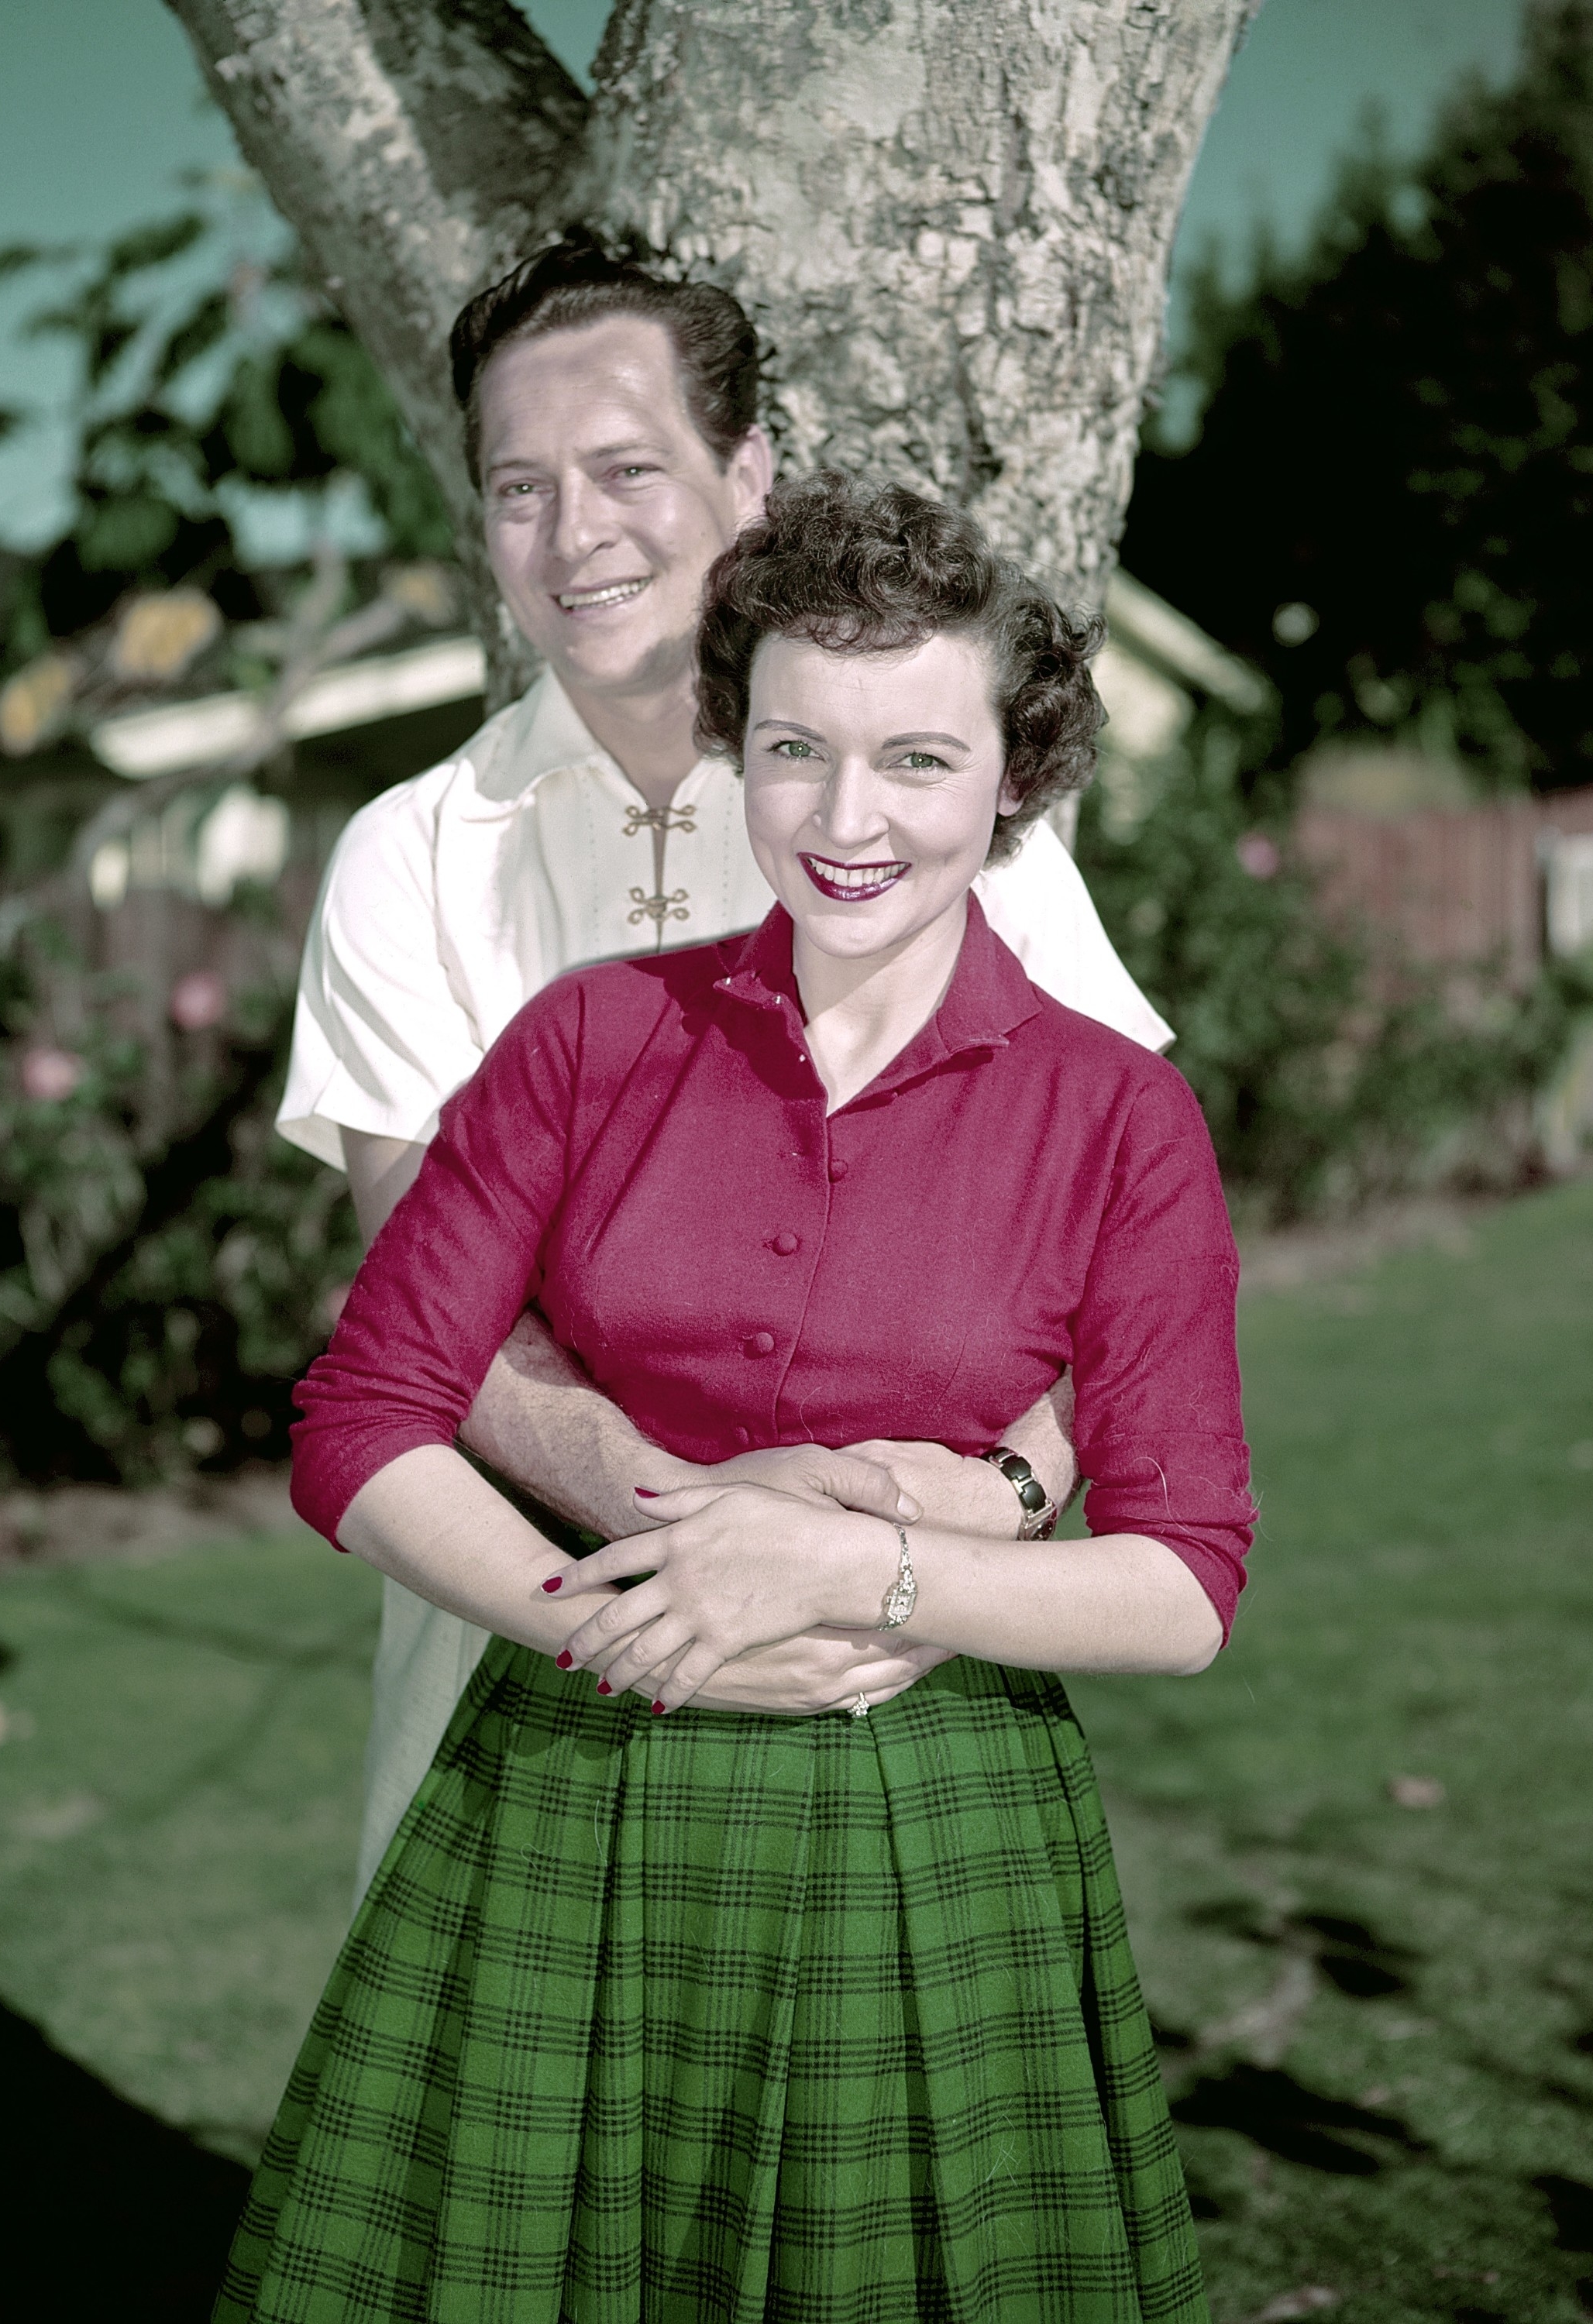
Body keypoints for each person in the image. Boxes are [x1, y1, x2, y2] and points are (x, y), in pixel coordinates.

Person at [220, 473, 1250, 2322]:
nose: (850, 823)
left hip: (923, 1826)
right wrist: (626, 1617)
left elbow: (1182, 1587)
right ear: (737, 753)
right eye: (796, 751)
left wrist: (845, 1578)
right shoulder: (591, 1041)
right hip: (569, 1798)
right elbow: (362, 1419)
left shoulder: (1120, 1115)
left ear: (1013, 775)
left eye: (918, 761)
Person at [275, 239, 1176, 1895]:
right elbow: (428, 1331)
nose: (575, 534)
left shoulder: (914, 808)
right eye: (518, 486)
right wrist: (694, 1541)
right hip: (525, 1664)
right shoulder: (406, 859)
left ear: (745, 474)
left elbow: (1126, 1229)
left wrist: (989, 1494)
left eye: (627, 470)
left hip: (896, 1674)